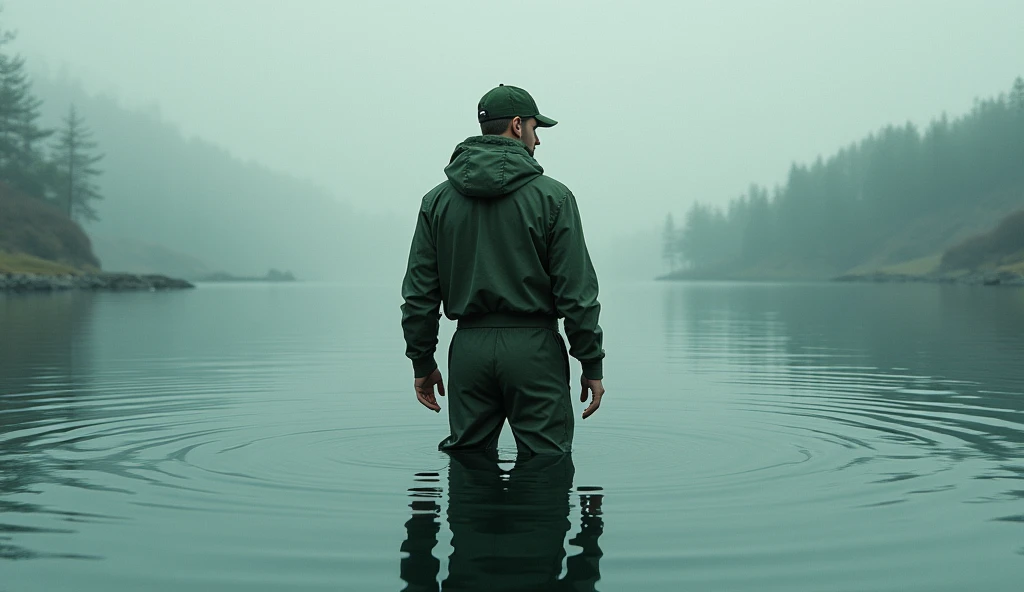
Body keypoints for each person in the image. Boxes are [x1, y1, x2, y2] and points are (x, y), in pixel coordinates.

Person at [401, 84, 605, 456]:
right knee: (546, 462)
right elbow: (576, 292)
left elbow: (419, 294)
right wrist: (590, 361)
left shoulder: (436, 201)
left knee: (468, 462)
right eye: (535, 128)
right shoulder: (553, 198)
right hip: (534, 350)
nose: (537, 140)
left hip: (468, 352)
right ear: (516, 125)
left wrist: (423, 360)